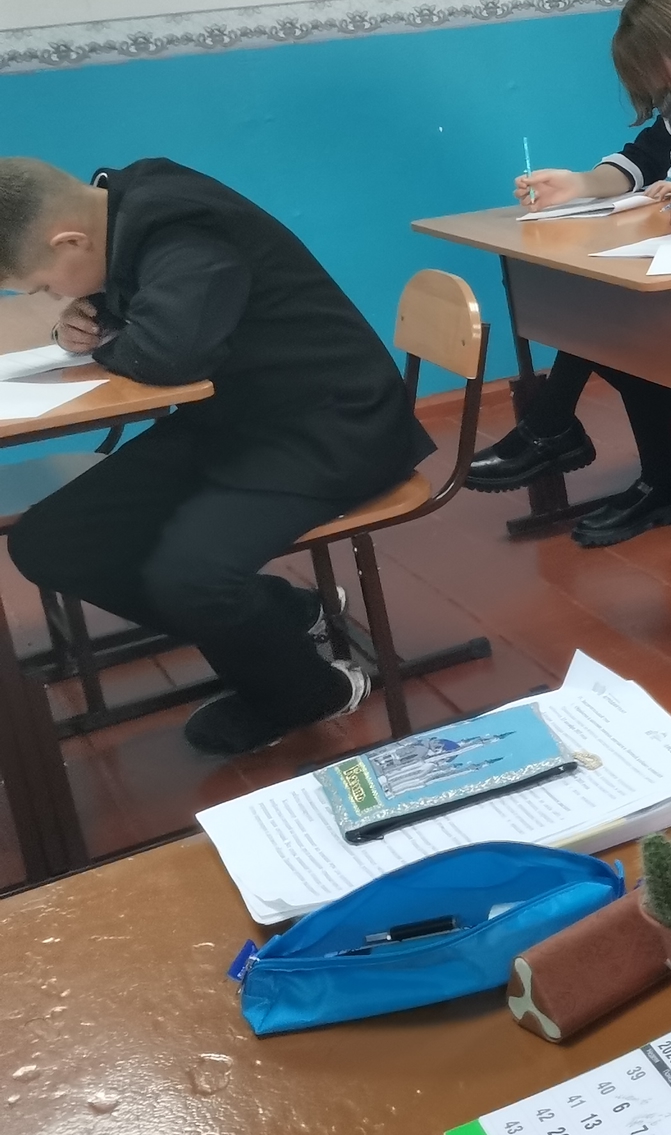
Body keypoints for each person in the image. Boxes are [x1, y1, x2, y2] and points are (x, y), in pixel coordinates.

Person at [0, 157, 436, 758]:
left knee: (190, 579)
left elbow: (166, 355)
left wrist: (107, 338)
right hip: (238, 419)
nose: (54, 296)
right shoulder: (119, 209)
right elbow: (154, 309)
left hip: (332, 427)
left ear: (70, 241)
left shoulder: (183, 230)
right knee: (48, 543)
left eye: (46, 286)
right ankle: (279, 615)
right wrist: (89, 315)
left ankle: (311, 692)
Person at [469, 0, 671, 547]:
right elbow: (645, 157)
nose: (656, 84)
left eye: (655, 67)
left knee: (620, 318)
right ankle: (621, 463)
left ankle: (559, 433)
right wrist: (578, 184)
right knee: (612, 313)